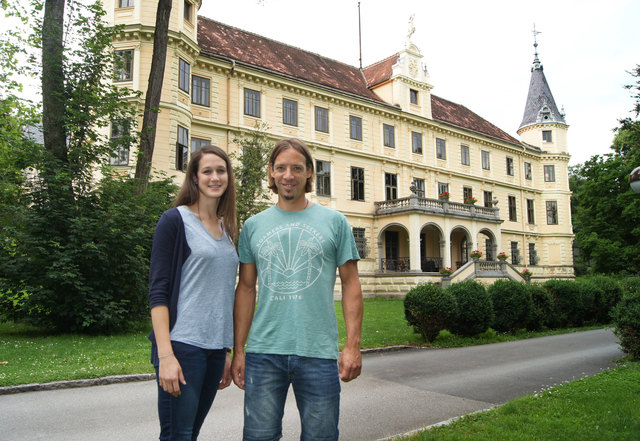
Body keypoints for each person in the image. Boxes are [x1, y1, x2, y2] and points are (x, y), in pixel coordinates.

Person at [231, 138, 363, 441]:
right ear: (271, 173)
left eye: (296, 168)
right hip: (264, 352)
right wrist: (239, 351)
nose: (288, 175)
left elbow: (351, 283)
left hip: (318, 352)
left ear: (309, 174)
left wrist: (352, 345)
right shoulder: (253, 226)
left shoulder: (335, 221)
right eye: (281, 168)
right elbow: (246, 288)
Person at [148, 145, 239, 441]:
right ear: (195, 178)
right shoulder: (175, 221)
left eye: (221, 171)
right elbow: (158, 293)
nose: (215, 177)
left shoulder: (227, 229)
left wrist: (226, 351)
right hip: (182, 346)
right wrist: (166, 356)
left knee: (190, 434)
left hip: (214, 350)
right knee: (178, 435)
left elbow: (222, 294)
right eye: (207, 171)